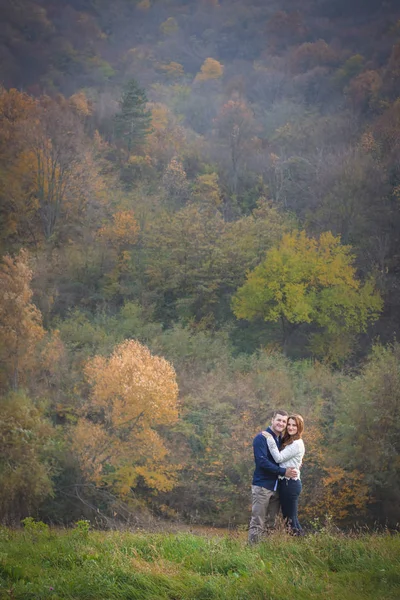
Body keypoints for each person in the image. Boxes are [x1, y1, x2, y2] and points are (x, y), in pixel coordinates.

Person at [248, 410, 298, 544]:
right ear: (272, 420)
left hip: (276, 487)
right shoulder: (261, 438)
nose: (281, 423)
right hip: (262, 486)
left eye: (284, 421)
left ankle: (266, 551)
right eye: (279, 420)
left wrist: (297, 463)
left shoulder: (281, 440)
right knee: (257, 521)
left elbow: (287, 457)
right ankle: (252, 552)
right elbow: (262, 462)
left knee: (272, 523)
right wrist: (283, 471)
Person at [262, 414, 305, 535]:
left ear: (299, 427)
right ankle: (300, 544)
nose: (291, 427)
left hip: (290, 484)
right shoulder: (290, 441)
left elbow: (279, 458)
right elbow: (291, 460)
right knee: (289, 520)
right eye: (289, 424)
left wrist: (270, 439)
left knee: (291, 521)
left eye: (294, 425)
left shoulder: (296, 443)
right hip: (285, 483)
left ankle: (302, 544)